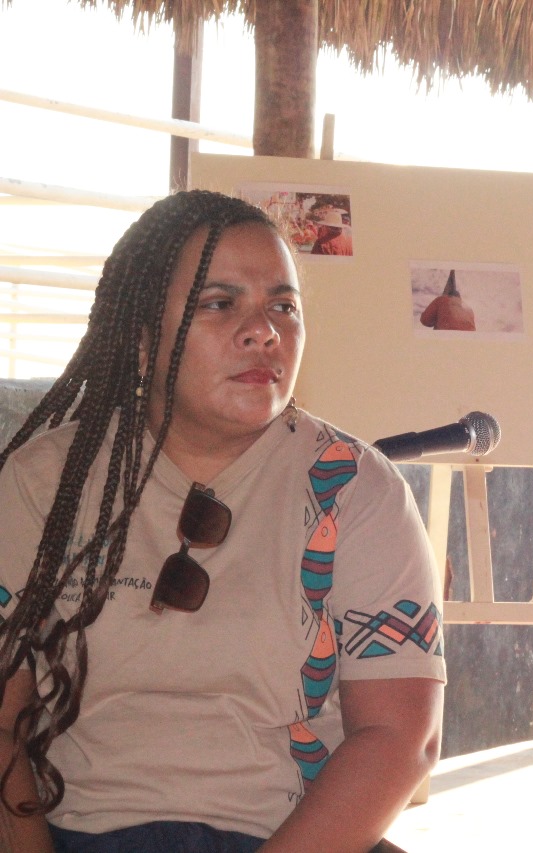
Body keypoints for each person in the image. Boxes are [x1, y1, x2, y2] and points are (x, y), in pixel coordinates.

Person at [0, 190, 446, 852]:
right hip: (80, 831)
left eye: (283, 306)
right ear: (143, 338)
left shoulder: (358, 490)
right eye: (219, 303)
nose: (264, 331)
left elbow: (399, 739)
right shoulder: (42, 483)